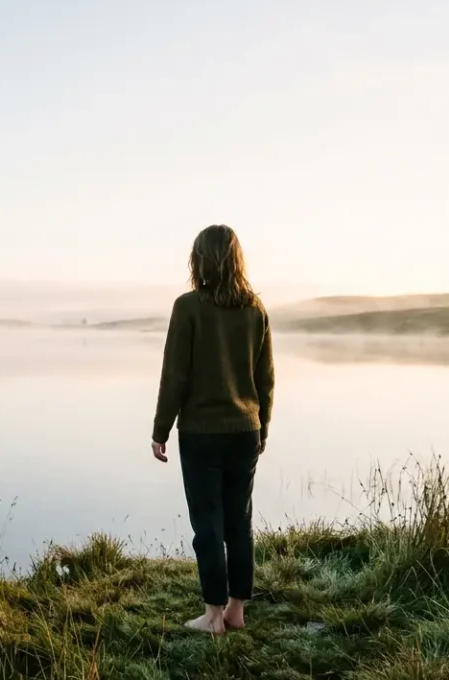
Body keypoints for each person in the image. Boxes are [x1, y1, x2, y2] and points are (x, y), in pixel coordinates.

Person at [150, 224, 274, 635]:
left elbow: (175, 375)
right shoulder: (255, 309)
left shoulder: (188, 307)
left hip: (201, 433)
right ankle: (236, 610)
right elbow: (265, 378)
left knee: (208, 525)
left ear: (198, 260)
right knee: (239, 521)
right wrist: (262, 427)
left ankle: (212, 615)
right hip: (245, 431)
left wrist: (161, 429)